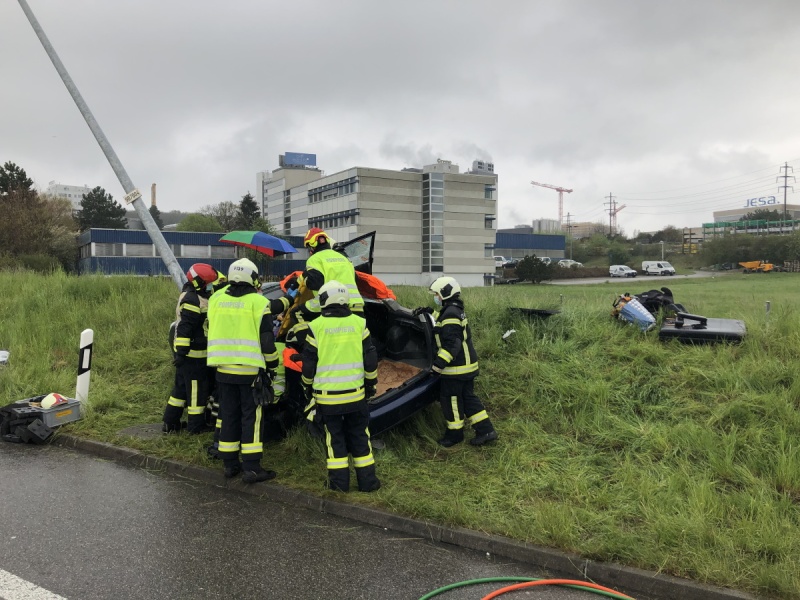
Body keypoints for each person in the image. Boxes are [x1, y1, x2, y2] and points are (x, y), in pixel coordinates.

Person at [300, 280, 380, 492]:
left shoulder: (316, 326)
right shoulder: (359, 323)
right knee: (360, 436)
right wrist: (370, 384)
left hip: (328, 399)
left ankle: (338, 484)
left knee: (334, 439)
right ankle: (368, 483)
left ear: (325, 300)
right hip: (356, 396)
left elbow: (309, 364)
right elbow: (370, 359)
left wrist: (306, 386)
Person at [206, 258, 279, 483]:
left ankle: (230, 465)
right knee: (252, 418)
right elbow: (267, 342)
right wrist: (273, 365)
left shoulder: (216, 299)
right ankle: (252, 468)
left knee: (228, 415)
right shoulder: (259, 302)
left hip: (223, 370)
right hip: (249, 372)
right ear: (253, 278)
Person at [413, 276, 498, 447]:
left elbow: (452, 343)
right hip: (467, 366)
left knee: (450, 401)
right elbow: (443, 323)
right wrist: (429, 312)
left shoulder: (451, 313)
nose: (436, 297)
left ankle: (454, 435)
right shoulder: (453, 310)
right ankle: (486, 431)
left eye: (437, 294)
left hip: (456, 369)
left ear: (445, 293)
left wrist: (438, 365)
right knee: (468, 398)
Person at [163, 263, 223, 434]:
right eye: (208, 283)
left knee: (180, 390)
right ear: (199, 283)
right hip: (193, 356)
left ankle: (170, 422)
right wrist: (182, 353)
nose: (210, 286)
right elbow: (185, 328)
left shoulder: (196, 294)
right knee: (197, 391)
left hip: (190, 356)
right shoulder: (192, 300)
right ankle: (195, 427)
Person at [295, 228, 364, 324]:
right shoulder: (343, 257)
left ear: (312, 246)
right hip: (356, 305)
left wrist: (306, 278)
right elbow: (355, 279)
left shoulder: (314, 259)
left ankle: (308, 334)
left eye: (308, 247)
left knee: (296, 312)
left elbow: (315, 283)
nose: (309, 251)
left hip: (332, 305)